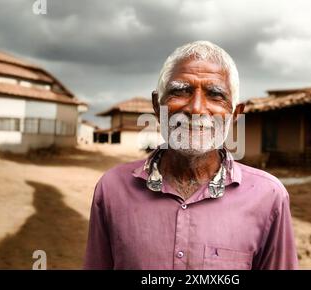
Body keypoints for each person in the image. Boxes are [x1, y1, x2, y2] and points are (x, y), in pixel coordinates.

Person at [83, 41, 298, 270]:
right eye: (180, 91)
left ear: (235, 114)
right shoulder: (112, 189)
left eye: (215, 95)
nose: (195, 108)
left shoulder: (269, 197)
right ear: (158, 106)